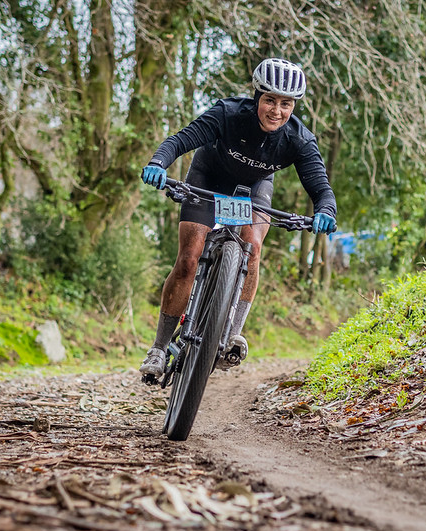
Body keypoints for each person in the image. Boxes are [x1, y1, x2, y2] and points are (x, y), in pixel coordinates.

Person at [139, 57, 337, 377]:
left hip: (254, 189)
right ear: (257, 96)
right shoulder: (228, 113)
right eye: (270, 100)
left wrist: (326, 211)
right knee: (190, 257)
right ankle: (159, 348)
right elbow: (181, 140)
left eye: (286, 104)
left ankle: (231, 334)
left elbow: (320, 187)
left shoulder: (298, 139)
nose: (276, 111)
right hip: (208, 179)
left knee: (253, 247)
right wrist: (158, 163)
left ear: (294, 106)